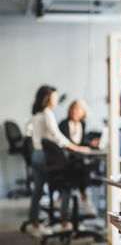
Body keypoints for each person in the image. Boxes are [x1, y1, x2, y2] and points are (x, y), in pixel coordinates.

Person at [27, 86, 91, 238]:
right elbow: (57, 136)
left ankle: (34, 223)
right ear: (47, 98)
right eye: (55, 97)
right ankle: (64, 222)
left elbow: (29, 130)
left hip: (36, 154)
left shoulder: (36, 114)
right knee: (66, 184)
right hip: (45, 156)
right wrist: (76, 148)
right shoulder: (48, 113)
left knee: (38, 190)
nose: (56, 99)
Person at [58, 100, 98, 215]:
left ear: (83, 112)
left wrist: (91, 144)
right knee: (81, 170)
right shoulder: (64, 123)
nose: (75, 111)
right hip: (65, 159)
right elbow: (66, 143)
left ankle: (67, 199)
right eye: (73, 108)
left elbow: (82, 141)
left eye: (78, 109)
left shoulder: (82, 124)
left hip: (76, 159)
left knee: (82, 168)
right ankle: (84, 197)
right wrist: (79, 149)